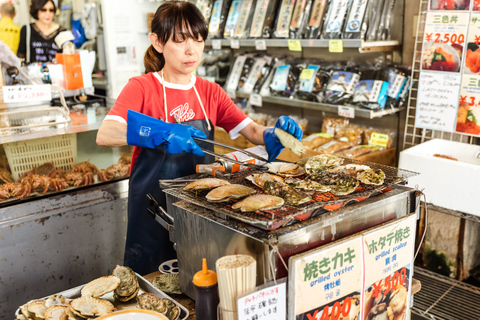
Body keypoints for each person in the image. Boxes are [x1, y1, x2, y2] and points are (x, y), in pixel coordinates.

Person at [96, 1, 303, 275]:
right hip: (153, 212)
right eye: (180, 41)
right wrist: (162, 132)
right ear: (157, 42)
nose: (191, 50)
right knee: (152, 286)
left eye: (198, 39)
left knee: (201, 279)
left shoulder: (210, 92)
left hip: (201, 208)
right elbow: (106, 133)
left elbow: (250, 131)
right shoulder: (142, 87)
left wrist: (273, 134)